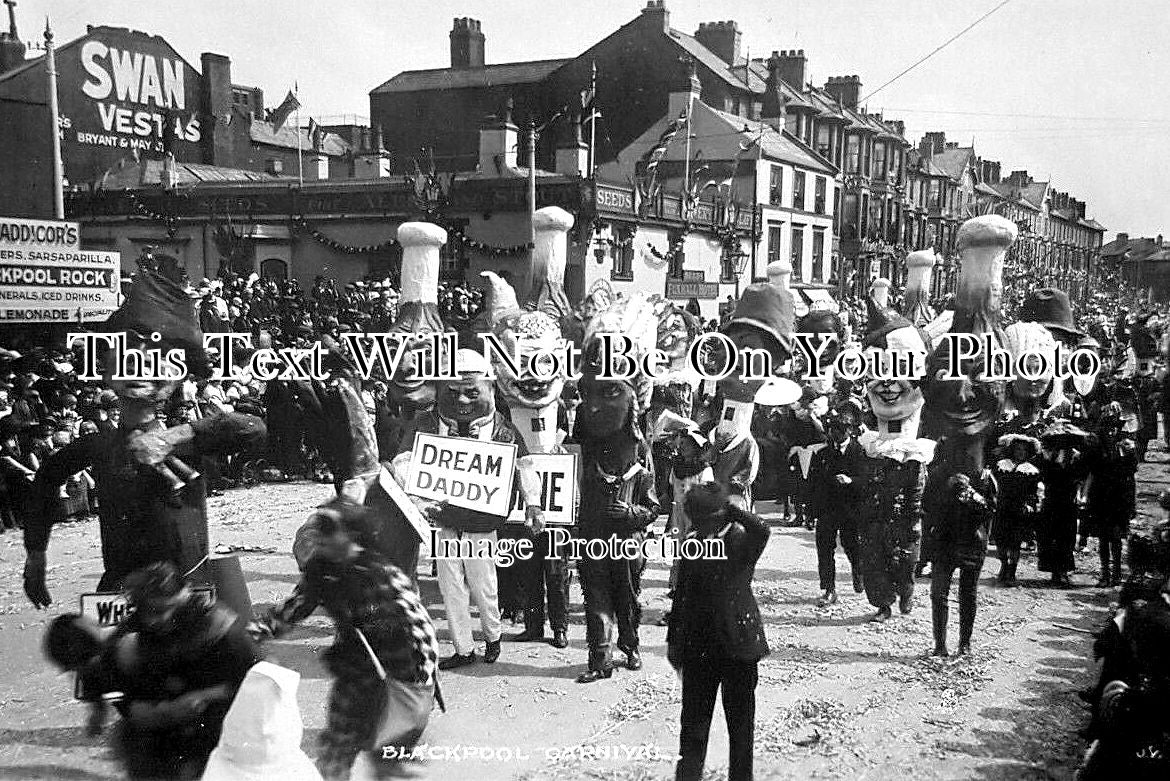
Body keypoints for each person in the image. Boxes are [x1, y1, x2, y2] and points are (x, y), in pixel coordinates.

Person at [22, 269, 266, 604]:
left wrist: (172, 439)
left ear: (174, 380)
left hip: (187, 592)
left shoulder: (192, 439)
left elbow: (253, 429)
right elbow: (46, 478)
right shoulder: (100, 444)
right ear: (108, 375)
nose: (139, 372)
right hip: (123, 594)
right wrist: (36, 556)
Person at [251, 499, 441, 780]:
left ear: (351, 535)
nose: (320, 537)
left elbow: (419, 632)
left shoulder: (381, 576)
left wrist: (419, 686)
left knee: (388, 763)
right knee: (334, 753)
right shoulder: (322, 570)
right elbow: (291, 609)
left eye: (329, 529)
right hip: (357, 671)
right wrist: (249, 633)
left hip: (402, 673)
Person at [44, 562, 258, 780]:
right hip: (172, 724)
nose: (158, 619)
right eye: (151, 611)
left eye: (165, 610)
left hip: (225, 723)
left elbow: (256, 681)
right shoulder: (130, 640)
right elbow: (132, 705)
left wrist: (206, 696)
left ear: (182, 600)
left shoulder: (217, 627)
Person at [668, 482, 769, 781]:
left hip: (738, 646)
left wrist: (733, 511)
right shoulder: (693, 543)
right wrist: (674, 642)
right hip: (700, 646)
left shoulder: (740, 541)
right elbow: (682, 597)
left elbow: (762, 530)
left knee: (740, 727)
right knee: (694, 727)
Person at [808, 400, 867, 607]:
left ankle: (858, 572)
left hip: (851, 511)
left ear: (849, 431)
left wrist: (851, 481)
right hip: (827, 510)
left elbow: (867, 481)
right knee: (824, 549)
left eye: (840, 430)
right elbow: (812, 485)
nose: (835, 434)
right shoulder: (822, 455)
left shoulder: (860, 453)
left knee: (852, 547)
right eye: (832, 430)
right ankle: (829, 589)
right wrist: (811, 513)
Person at [992, 434, 1044, 587]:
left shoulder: (1031, 471)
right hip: (1002, 506)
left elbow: (1034, 492)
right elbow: (993, 484)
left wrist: (1029, 503)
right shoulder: (1002, 465)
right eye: (1017, 449)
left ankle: (1012, 571)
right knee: (1001, 540)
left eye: (1023, 450)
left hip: (1019, 509)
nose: (1020, 452)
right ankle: (1003, 566)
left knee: (1015, 542)